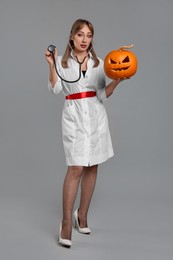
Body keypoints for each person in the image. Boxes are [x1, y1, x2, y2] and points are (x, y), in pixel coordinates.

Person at [45, 19, 124, 248]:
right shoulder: (62, 62)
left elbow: (101, 95)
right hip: (74, 117)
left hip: (96, 116)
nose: (84, 39)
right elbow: (56, 89)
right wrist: (51, 65)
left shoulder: (98, 64)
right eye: (80, 35)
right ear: (72, 36)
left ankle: (83, 215)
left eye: (89, 35)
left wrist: (116, 81)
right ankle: (66, 222)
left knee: (92, 165)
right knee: (76, 167)